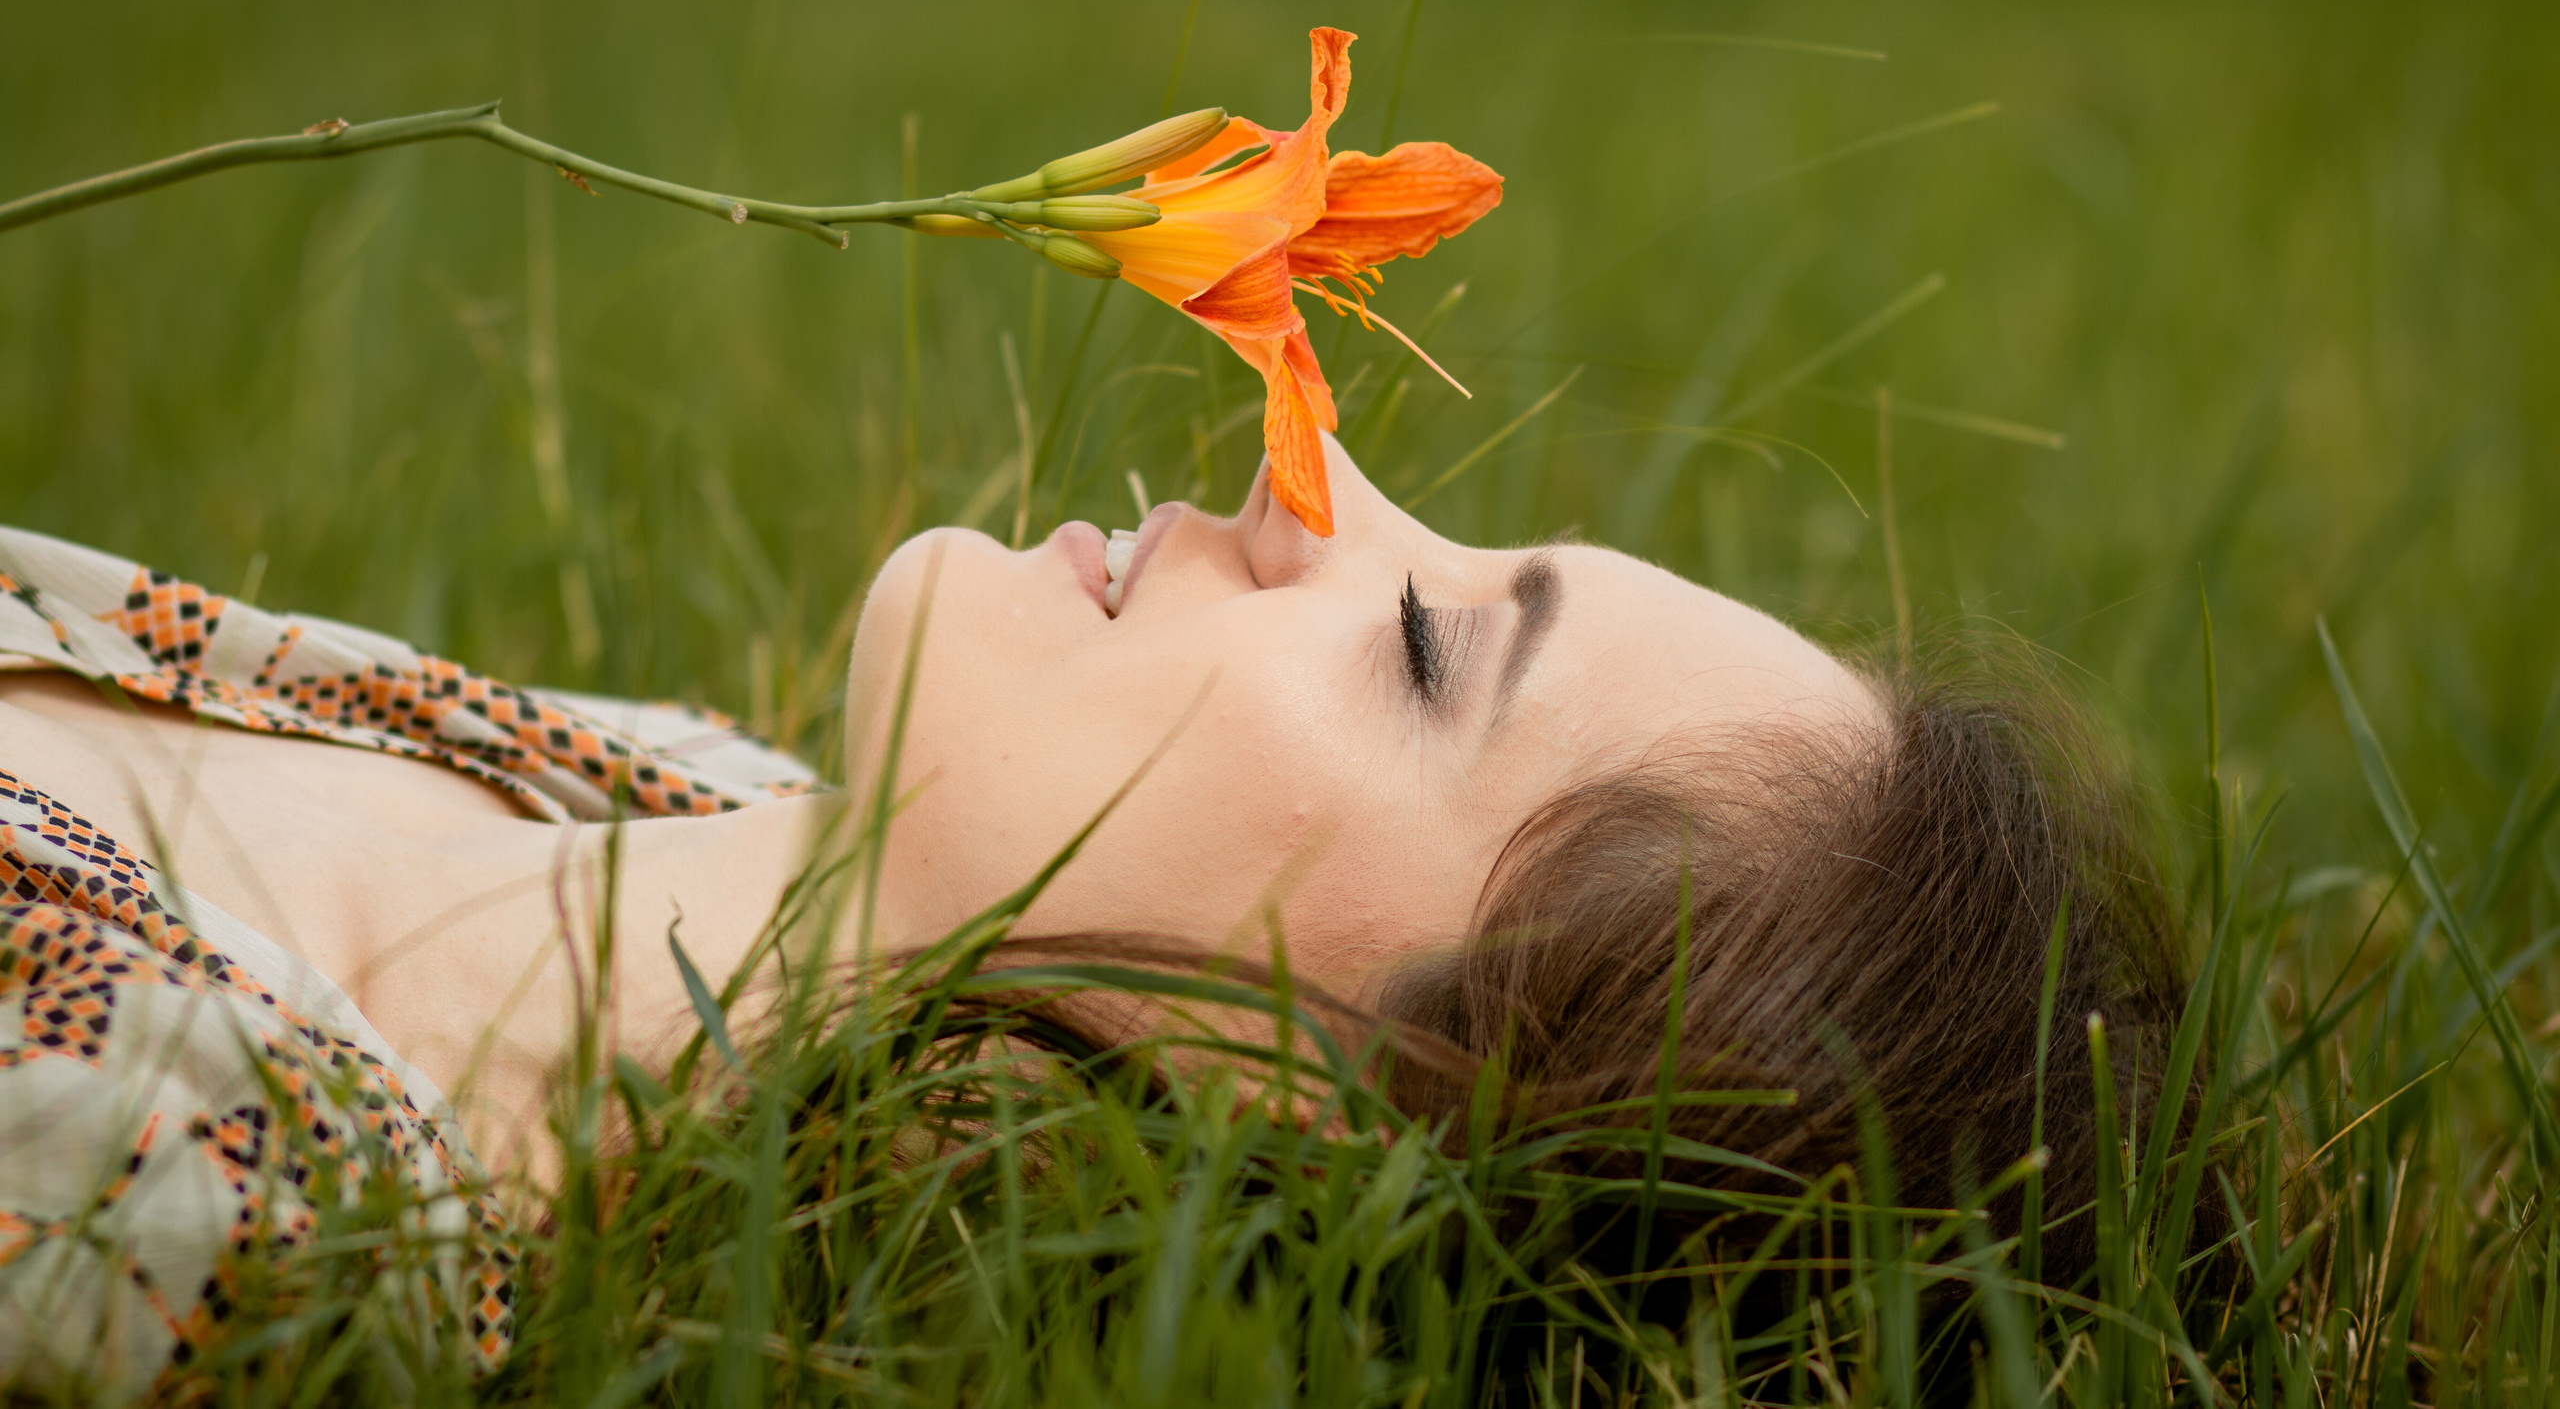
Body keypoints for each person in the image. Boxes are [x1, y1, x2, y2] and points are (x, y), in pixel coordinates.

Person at [0, 431, 2190, 1390]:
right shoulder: (672, 788)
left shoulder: (168, 1200)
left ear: (1343, 1138)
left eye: (1422, 647)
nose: (1301, 479)